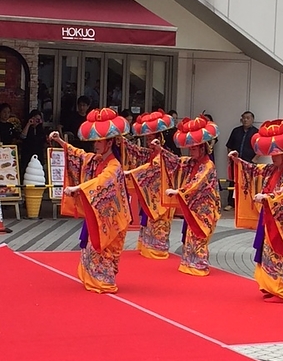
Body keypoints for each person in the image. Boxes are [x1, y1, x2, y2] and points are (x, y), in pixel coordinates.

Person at [49, 108, 131, 294]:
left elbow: (101, 182)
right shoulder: (98, 160)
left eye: (99, 141)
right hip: (99, 214)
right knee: (93, 248)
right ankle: (93, 279)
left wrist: (78, 188)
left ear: (110, 142)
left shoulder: (114, 166)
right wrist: (60, 141)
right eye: (95, 141)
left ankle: (104, 281)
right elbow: (80, 155)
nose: (95, 144)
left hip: (113, 217)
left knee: (107, 250)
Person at [229, 118, 283, 303]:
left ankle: (281, 290)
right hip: (270, 216)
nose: (273, 157)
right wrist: (237, 160)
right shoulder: (273, 169)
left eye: (276, 154)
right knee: (267, 253)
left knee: (278, 253)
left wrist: (268, 197)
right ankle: (270, 286)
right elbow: (254, 170)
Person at [152, 114, 221, 276]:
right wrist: (160, 150)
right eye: (190, 148)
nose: (191, 151)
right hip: (194, 207)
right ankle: (190, 263)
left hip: (206, 209)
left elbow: (197, 182)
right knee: (191, 235)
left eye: (194, 148)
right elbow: (175, 162)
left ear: (203, 148)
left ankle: (200, 265)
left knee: (199, 236)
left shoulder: (208, 165)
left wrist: (179, 191)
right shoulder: (191, 162)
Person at [125, 110, 175, 259]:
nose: (148, 142)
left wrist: (132, 172)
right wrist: (122, 142)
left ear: (159, 139)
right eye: (147, 139)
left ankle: (158, 250)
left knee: (159, 223)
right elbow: (137, 151)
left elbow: (150, 167)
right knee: (149, 222)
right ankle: (147, 247)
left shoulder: (163, 154)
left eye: (151, 139)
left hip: (161, 195)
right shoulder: (150, 153)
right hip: (151, 194)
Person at [225, 111, 258, 211]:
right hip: (235, 162)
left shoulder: (256, 133)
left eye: (248, 118)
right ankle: (231, 203)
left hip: (249, 163)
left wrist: (254, 159)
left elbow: (261, 148)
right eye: (244, 118)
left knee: (248, 183)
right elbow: (229, 145)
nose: (245, 120)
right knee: (233, 182)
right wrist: (230, 157)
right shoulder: (236, 131)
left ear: (252, 120)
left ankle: (246, 205)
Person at [20, 109, 47, 176]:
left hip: (38, 154)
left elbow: (44, 141)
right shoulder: (26, 127)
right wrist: (29, 124)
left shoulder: (40, 130)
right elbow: (23, 136)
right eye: (36, 119)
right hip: (27, 153)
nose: (37, 121)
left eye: (39, 119)